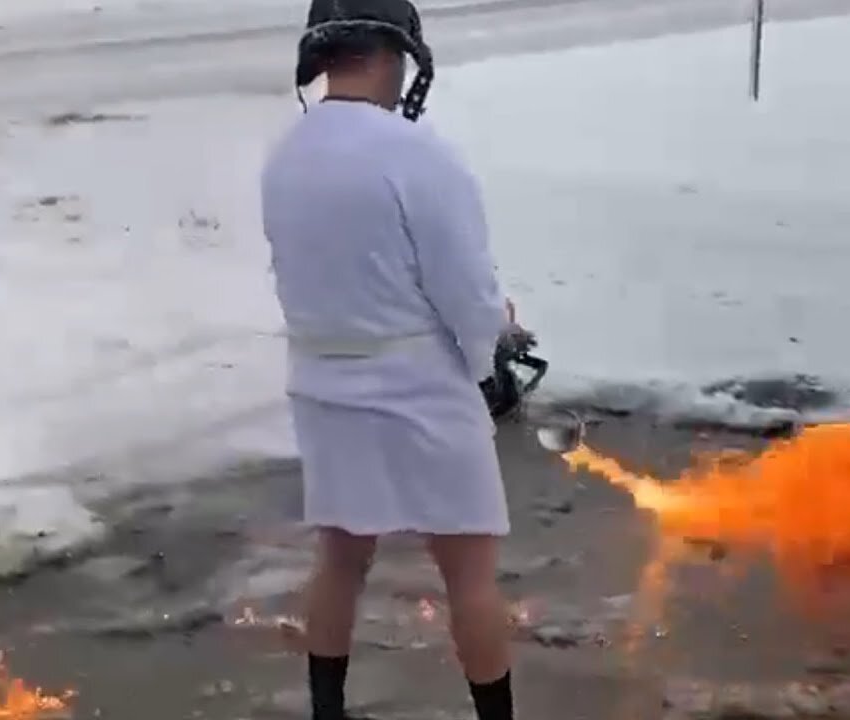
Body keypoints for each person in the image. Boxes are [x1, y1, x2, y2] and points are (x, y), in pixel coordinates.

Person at [260, 1, 516, 718]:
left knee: (340, 558)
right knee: (469, 574)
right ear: (389, 51)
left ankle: (326, 710)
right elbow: (464, 287)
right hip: (418, 385)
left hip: (321, 382)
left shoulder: (287, 154)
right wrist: (485, 350)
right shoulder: (416, 153)